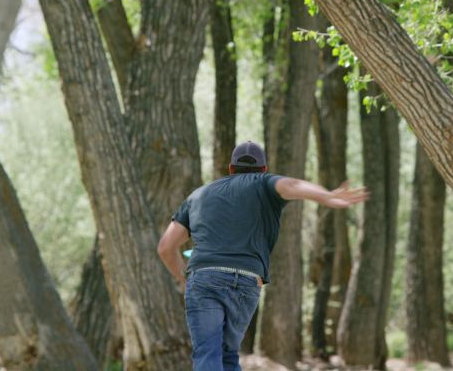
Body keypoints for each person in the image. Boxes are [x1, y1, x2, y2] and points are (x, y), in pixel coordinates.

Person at [157, 141, 369, 371]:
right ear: (264, 169)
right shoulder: (264, 183)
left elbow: (166, 248)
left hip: (204, 278)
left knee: (208, 354)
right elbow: (291, 185)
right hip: (247, 280)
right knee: (228, 355)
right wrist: (326, 196)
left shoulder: (198, 196)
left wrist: (185, 279)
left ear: (230, 168)